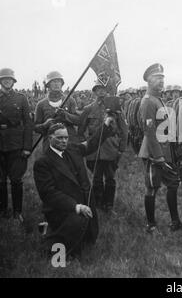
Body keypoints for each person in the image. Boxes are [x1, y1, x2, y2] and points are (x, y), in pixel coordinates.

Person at [33, 116, 115, 258]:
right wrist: (76, 207)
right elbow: (49, 194)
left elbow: (91, 143)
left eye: (66, 137)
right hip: (63, 209)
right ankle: (53, 247)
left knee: (89, 240)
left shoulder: (73, 149)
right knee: (68, 250)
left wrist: (105, 125)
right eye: (59, 138)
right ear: (49, 138)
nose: (64, 141)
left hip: (86, 203)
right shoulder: (43, 163)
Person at [139, 63, 182, 232]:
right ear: (148, 81)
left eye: (162, 78)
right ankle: (151, 225)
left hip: (166, 150)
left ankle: (175, 221)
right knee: (152, 187)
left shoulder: (158, 99)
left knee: (173, 184)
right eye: (156, 78)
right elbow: (149, 131)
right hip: (154, 152)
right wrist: (158, 156)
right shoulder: (148, 102)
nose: (160, 81)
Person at [78, 81, 128, 213]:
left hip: (111, 149)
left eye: (103, 89)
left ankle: (109, 205)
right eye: (98, 89)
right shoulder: (89, 108)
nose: (101, 92)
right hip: (94, 151)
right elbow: (81, 129)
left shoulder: (116, 109)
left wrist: (121, 149)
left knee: (110, 179)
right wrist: (86, 145)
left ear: (107, 91)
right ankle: (98, 205)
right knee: (96, 179)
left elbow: (124, 130)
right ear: (94, 91)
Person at [0, 68, 33, 221]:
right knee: (0, 180)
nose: (7, 81)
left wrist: (27, 147)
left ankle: (17, 212)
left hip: (16, 145)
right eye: (4, 79)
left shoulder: (21, 99)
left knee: (16, 180)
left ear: (13, 81)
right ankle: (3, 211)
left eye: (9, 79)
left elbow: (28, 123)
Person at [34, 71, 79, 152]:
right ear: (48, 85)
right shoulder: (41, 104)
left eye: (59, 81)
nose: (56, 84)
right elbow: (36, 127)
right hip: (50, 144)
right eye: (54, 82)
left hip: (69, 143)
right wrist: (45, 125)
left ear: (62, 84)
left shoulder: (70, 100)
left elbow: (78, 120)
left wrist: (66, 115)